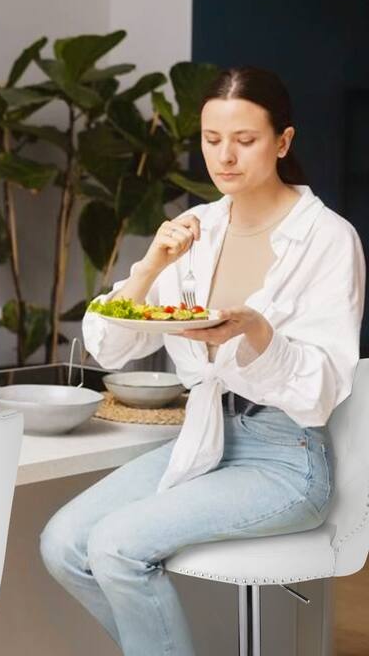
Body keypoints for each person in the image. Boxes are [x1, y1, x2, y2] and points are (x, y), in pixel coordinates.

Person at [39, 66, 365, 655]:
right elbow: (111, 345)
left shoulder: (327, 239)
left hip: (286, 459)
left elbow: (322, 390)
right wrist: (150, 268)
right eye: (212, 141)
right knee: (63, 544)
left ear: (283, 142)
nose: (226, 157)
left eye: (245, 140)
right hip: (207, 440)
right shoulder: (197, 230)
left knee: (115, 545)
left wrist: (261, 334)